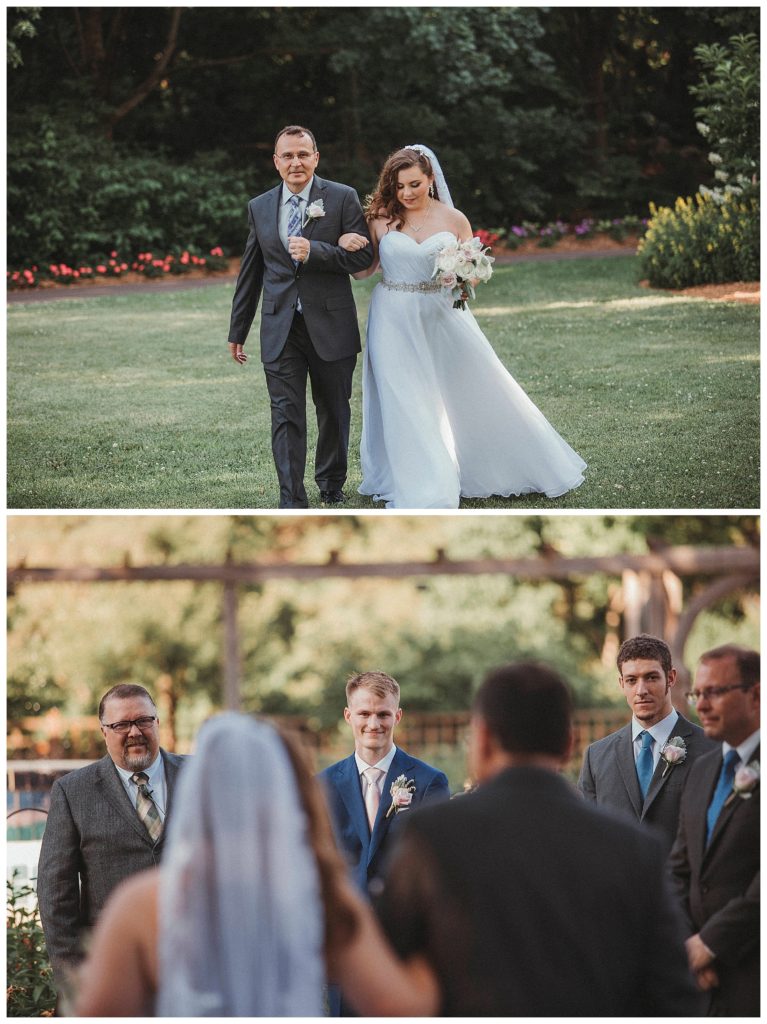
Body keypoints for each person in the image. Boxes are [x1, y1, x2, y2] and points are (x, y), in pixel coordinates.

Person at [376, 662, 702, 1016]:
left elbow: (389, 967)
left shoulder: (433, 835)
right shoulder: (636, 847)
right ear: (568, 744)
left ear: (482, 739)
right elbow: (674, 998)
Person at [75, 713, 439, 1016]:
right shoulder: (322, 897)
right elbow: (404, 1009)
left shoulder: (142, 904)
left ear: (200, 794)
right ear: (296, 796)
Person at [338, 145, 586, 508]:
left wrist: (465, 274)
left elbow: (473, 275)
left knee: (474, 388)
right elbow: (363, 271)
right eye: (399, 185)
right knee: (403, 397)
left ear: (430, 179)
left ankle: (505, 463)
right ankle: (425, 481)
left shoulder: (454, 219)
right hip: (392, 318)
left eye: (414, 184)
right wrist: (346, 243)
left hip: (442, 316)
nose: (406, 193)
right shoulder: (380, 218)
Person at [227, 125, 373, 509]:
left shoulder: (342, 198)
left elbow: (362, 260)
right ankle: (291, 499)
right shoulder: (259, 207)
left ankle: (331, 484)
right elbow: (250, 272)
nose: (296, 162)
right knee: (285, 414)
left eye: (303, 154)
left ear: (316, 158)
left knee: (334, 411)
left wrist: (319, 251)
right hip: (280, 328)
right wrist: (237, 329)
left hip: (332, 324)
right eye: (288, 156)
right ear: (276, 162)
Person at [37, 684, 188, 993]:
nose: (134, 732)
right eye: (121, 724)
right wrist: (74, 979)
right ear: (104, 731)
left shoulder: (200, 775)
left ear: (157, 722)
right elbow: (56, 893)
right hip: (114, 969)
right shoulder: (72, 792)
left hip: (197, 962)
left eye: (143, 720)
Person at [669, 644, 759, 1016]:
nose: (700, 705)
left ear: (756, 695)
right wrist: (685, 943)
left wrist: (711, 943)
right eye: (697, 694)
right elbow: (679, 869)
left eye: (715, 692)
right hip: (701, 983)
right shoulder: (702, 770)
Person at [578, 633, 715, 855]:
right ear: (622, 683)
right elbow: (588, 838)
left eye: (651, 677)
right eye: (632, 680)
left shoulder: (710, 749)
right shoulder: (596, 756)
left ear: (670, 678)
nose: (641, 690)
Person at [318, 671, 450, 896]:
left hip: (404, 916)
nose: (373, 723)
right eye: (364, 714)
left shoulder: (429, 782)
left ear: (397, 717)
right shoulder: (322, 785)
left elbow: (436, 861)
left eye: (383, 714)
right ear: (348, 716)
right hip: (346, 917)